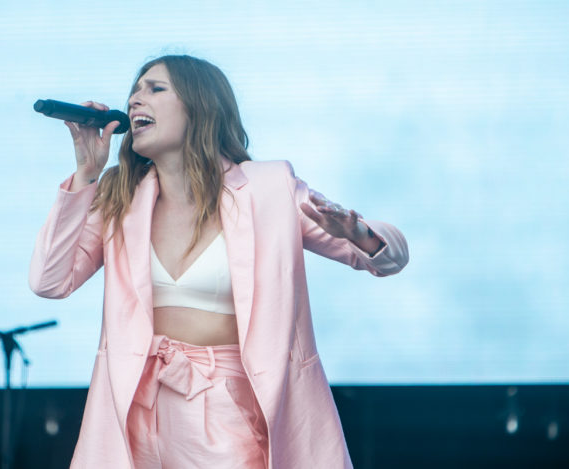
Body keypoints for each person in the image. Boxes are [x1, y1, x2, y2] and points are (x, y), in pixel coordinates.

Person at [29, 55, 408, 469]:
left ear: (200, 106)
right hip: (137, 408)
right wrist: (86, 173)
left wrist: (358, 234)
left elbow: (389, 258)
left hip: (228, 407)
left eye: (155, 89)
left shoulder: (269, 188)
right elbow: (50, 281)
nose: (136, 100)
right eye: (134, 91)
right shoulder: (121, 196)